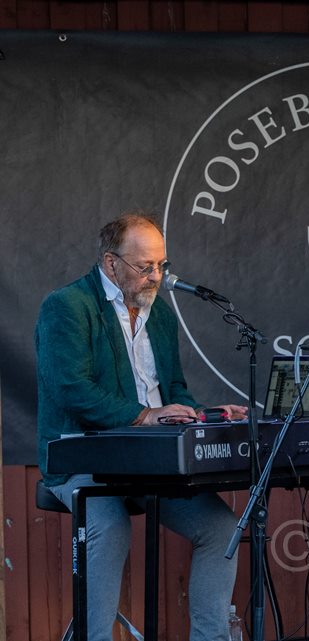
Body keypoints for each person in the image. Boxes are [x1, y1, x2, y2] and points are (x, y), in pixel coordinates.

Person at [35, 211, 247, 641]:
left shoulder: (161, 315)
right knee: (110, 526)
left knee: (221, 529)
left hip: (151, 461)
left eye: (161, 265)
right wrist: (143, 415)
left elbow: (174, 389)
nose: (156, 276)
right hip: (84, 461)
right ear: (111, 263)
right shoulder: (67, 306)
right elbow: (72, 390)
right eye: (145, 266)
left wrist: (202, 414)